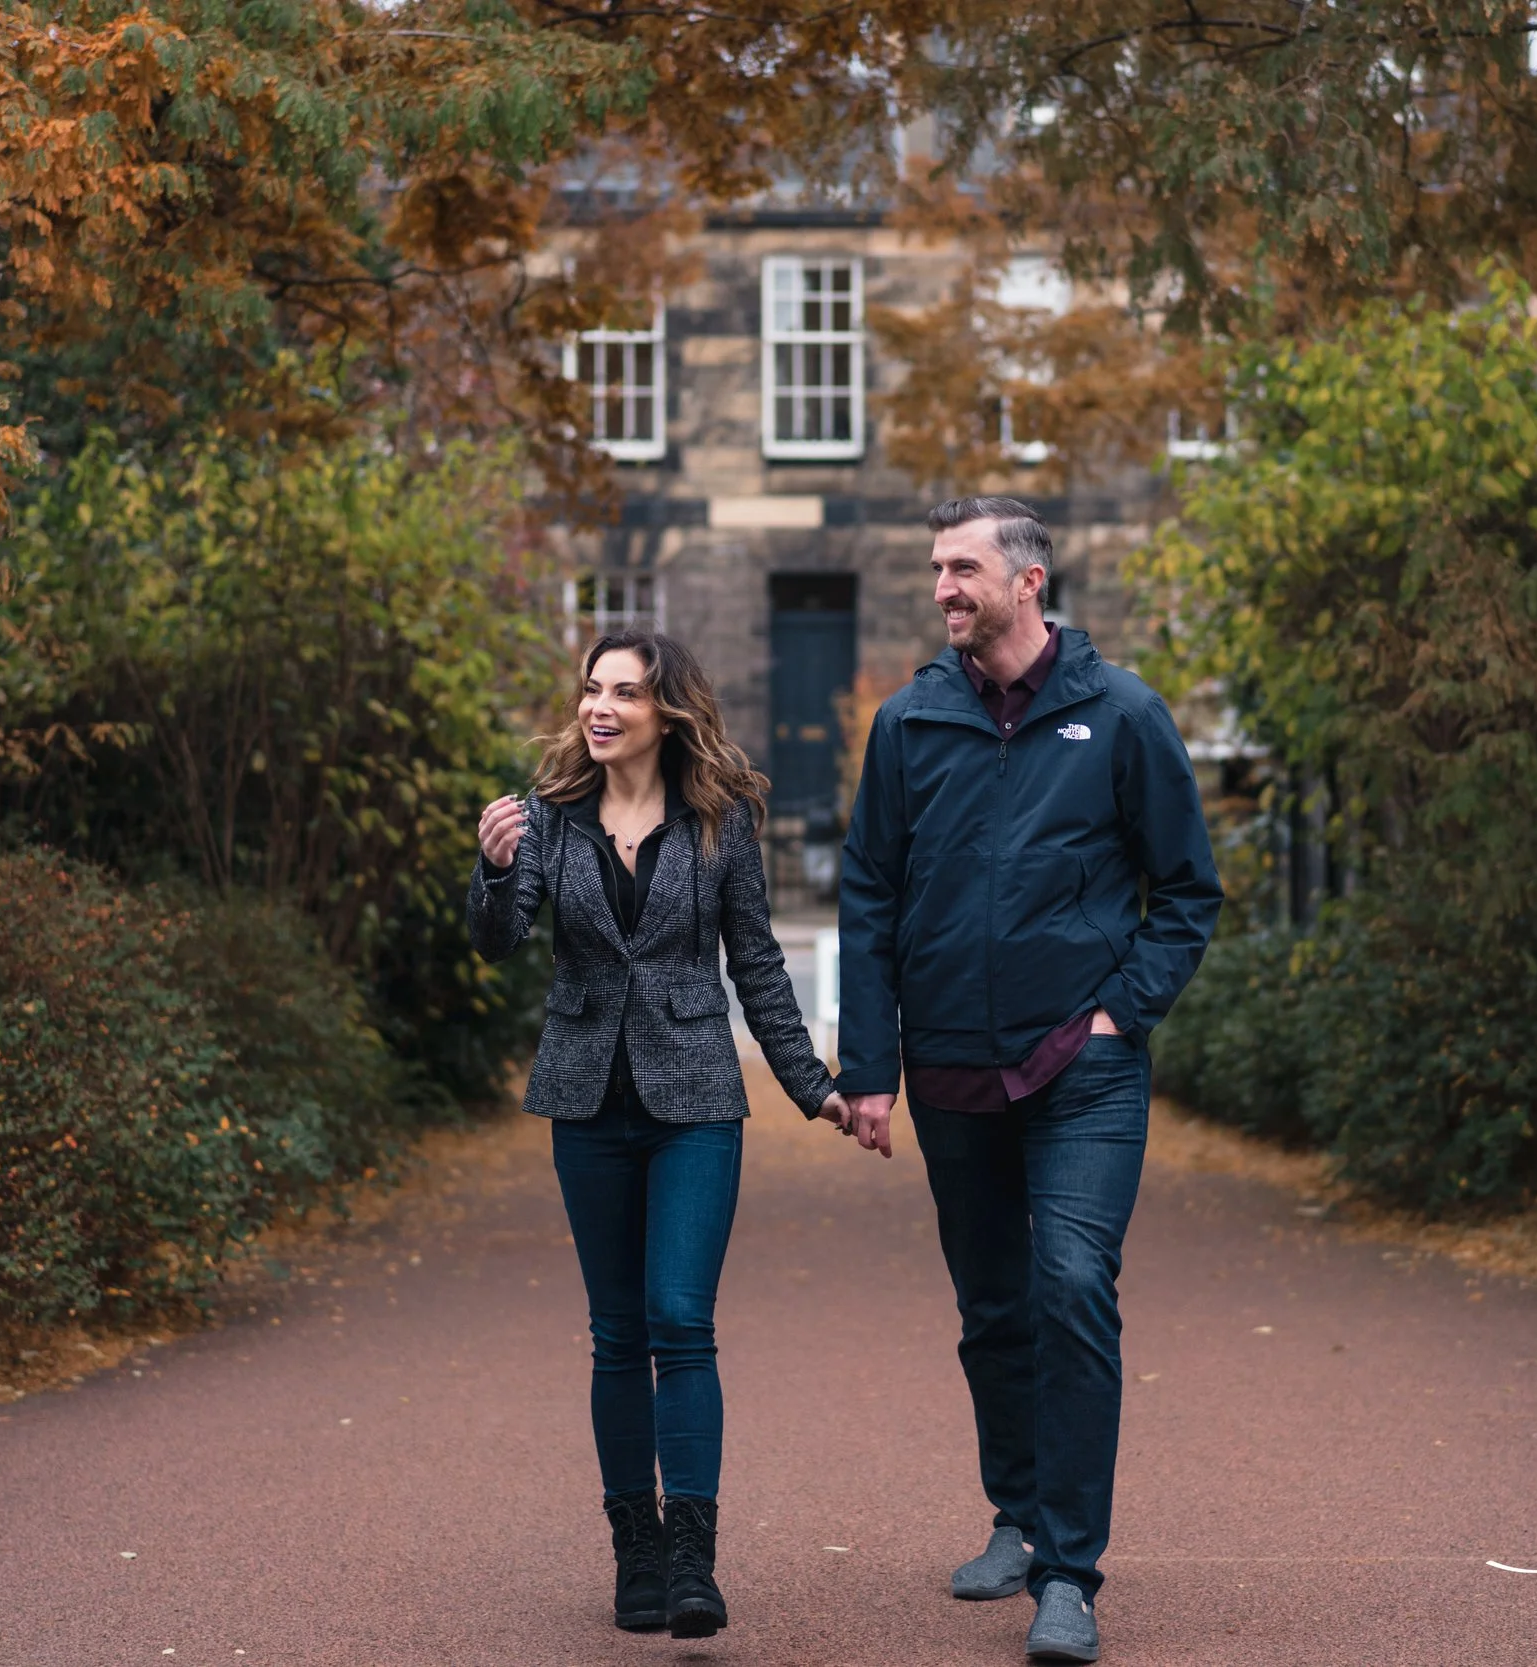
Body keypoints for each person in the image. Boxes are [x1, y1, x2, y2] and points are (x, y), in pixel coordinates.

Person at [830, 497, 1224, 1664]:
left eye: (962, 568)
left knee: (1069, 1286)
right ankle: (1013, 1513)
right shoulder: (908, 724)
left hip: (1081, 1065)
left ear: (1028, 580)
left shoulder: (1119, 714)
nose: (943, 587)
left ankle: (1068, 1571)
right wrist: (868, 1068)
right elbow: (869, 897)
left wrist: (1121, 1010)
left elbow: (1187, 890)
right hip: (951, 1064)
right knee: (994, 1308)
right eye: (936, 569)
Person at [469, 630, 849, 1640]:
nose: (599, 706)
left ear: (665, 710)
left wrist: (813, 1086)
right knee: (616, 1330)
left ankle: (691, 1557)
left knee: (680, 1317)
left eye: (623, 692)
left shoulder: (719, 824)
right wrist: (492, 866)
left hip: (694, 1100)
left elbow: (757, 964)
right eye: (591, 689)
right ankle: (634, 1550)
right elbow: (502, 939)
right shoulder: (548, 821)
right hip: (586, 1098)